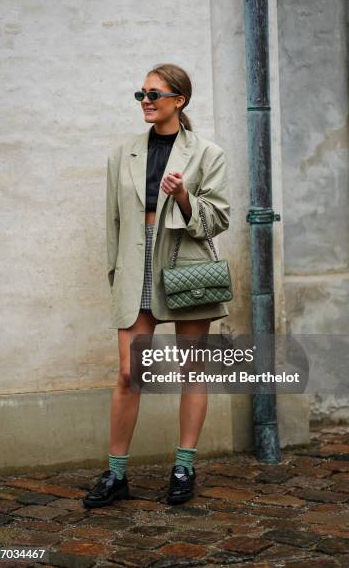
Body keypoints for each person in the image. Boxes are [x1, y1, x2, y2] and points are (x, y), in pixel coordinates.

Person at [83, 63, 230, 508]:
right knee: (131, 373)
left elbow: (218, 219)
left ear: (178, 100)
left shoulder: (207, 153)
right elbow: (112, 221)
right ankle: (116, 474)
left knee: (191, 370)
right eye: (141, 94)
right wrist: (116, 275)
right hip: (135, 263)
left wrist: (184, 195)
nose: (146, 101)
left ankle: (184, 465)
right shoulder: (123, 152)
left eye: (154, 94)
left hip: (185, 265)